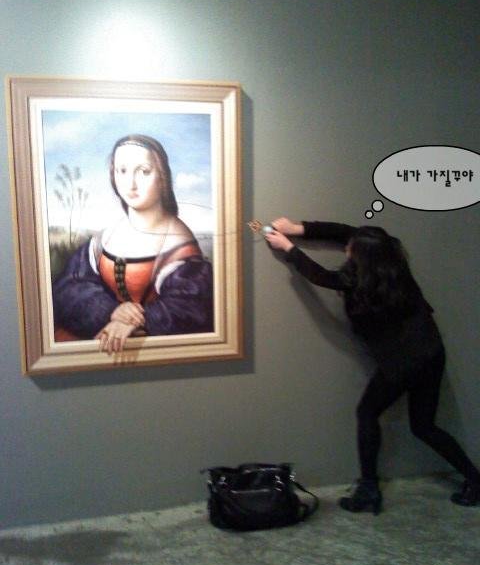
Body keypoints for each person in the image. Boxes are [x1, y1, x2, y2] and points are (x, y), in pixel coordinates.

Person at [265, 217, 480, 512]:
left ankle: (369, 490)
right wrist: (298, 228)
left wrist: (288, 248)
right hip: (431, 351)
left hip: (402, 362)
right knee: (424, 426)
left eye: (351, 249)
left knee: (367, 413)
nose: (346, 249)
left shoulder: (356, 281)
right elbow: (345, 233)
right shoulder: (390, 258)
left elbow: (322, 276)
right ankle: (474, 479)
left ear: (362, 256)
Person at [53, 134, 213, 354]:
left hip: (153, 351)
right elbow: (67, 288)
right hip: (100, 338)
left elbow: (190, 310)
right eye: (122, 171)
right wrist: (111, 311)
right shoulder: (104, 239)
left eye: (144, 171)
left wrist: (137, 320)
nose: (131, 183)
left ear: (162, 177)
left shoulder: (179, 246)